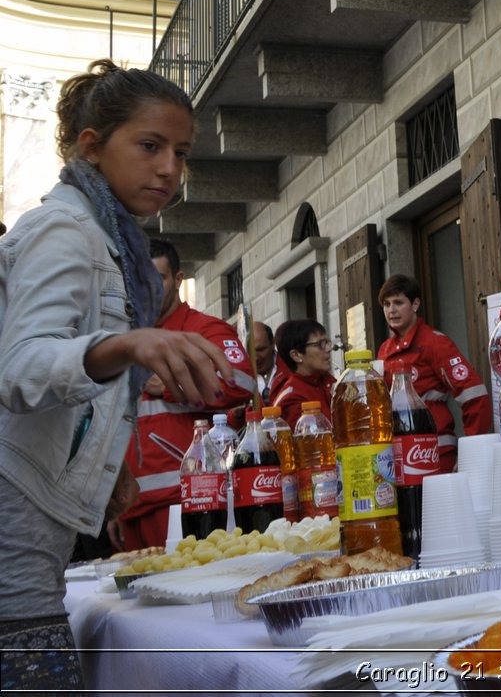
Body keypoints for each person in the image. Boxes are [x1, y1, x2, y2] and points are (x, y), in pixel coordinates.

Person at [0, 60, 230, 689]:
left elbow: (70, 391)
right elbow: (21, 369)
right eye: (150, 146)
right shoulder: (63, 230)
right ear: (92, 147)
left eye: (181, 153)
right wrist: (128, 342)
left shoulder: (108, 239)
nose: (169, 170)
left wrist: (109, 466)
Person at [119, 239, 256, 550]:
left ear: (178, 280)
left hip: (183, 503)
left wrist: (170, 386)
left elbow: (243, 381)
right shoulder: (126, 339)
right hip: (130, 508)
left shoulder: (203, 328)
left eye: (158, 278)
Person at [374, 275, 489, 472]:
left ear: (415, 304)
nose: (391, 310)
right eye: (386, 304)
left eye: (398, 302)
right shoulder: (385, 349)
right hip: (399, 456)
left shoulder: (435, 343)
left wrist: (472, 451)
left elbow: (475, 396)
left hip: (435, 452)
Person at [269, 320, 334, 430]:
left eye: (327, 342)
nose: (328, 349)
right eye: (320, 344)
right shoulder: (291, 399)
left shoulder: (324, 380)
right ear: (296, 355)